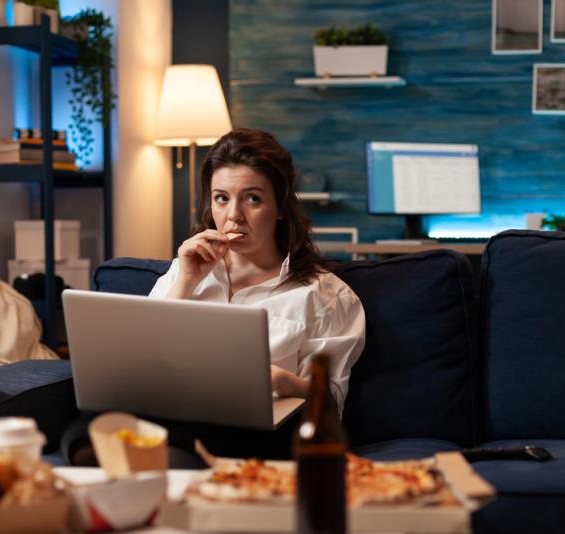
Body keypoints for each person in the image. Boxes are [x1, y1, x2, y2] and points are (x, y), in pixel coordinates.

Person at [63, 128, 365, 465]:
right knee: (71, 420)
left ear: (280, 206)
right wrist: (186, 282)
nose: (233, 215)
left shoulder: (325, 295)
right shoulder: (185, 270)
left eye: (252, 198)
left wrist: (283, 380)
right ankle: (122, 458)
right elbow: (141, 358)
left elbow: (330, 403)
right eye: (222, 198)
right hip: (170, 407)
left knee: (180, 441)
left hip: (258, 427)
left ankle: (141, 458)